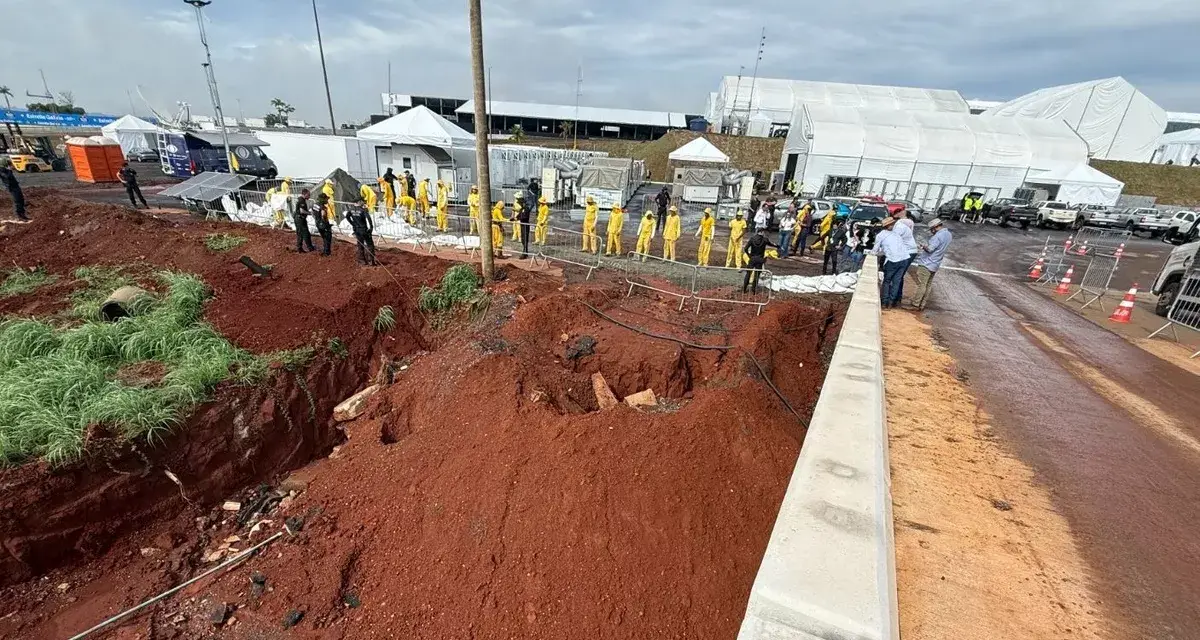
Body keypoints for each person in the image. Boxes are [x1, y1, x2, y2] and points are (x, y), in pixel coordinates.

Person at [911, 218, 952, 310]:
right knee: (928, 285)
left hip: (927, 262)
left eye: (932, 229)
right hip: (936, 263)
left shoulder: (937, 237)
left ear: (935, 227)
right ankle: (922, 303)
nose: (932, 232)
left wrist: (923, 246)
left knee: (922, 284)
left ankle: (916, 303)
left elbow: (930, 249)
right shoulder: (948, 234)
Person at [875, 217, 911, 308]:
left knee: (887, 281)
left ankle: (884, 302)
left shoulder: (881, 235)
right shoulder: (896, 235)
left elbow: (875, 250)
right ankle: (891, 302)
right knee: (896, 281)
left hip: (893, 260)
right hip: (904, 258)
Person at [742, 230, 779, 294]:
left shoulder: (752, 239)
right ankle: (753, 290)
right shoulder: (765, 240)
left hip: (752, 258)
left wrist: (749, 255)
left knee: (748, 273)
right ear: (762, 232)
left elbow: (745, 249)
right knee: (757, 275)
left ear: (757, 232)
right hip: (760, 259)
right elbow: (771, 244)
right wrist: (778, 246)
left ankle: (744, 289)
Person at [345, 201, 377, 266]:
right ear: (359, 202)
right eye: (362, 201)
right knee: (370, 244)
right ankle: (371, 261)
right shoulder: (362, 210)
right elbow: (369, 218)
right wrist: (371, 227)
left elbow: (347, 217)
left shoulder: (351, 210)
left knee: (360, 245)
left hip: (357, 230)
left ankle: (362, 261)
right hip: (364, 229)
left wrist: (353, 224)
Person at [307, 190, 333, 256]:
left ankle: (325, 251)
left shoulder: (315, 205)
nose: (327, 200)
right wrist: (327, 224)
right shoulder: (323, 207)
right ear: (323, 200)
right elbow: (323, 215)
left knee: (324, 237)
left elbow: (312, 212)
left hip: (317, 223)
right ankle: (327, 253)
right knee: (327, 238)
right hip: (323, 225)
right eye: (326, 199)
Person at [516, 191, 532, 257]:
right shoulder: (522, 209)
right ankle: (525, 251)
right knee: (523, 238)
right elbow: (519, 215)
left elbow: (525, 216)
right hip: (522, 224)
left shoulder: (526, 208)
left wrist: (519, 218)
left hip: (525, 225)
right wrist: (515, 218)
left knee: (525, 239)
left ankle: (525, 252)